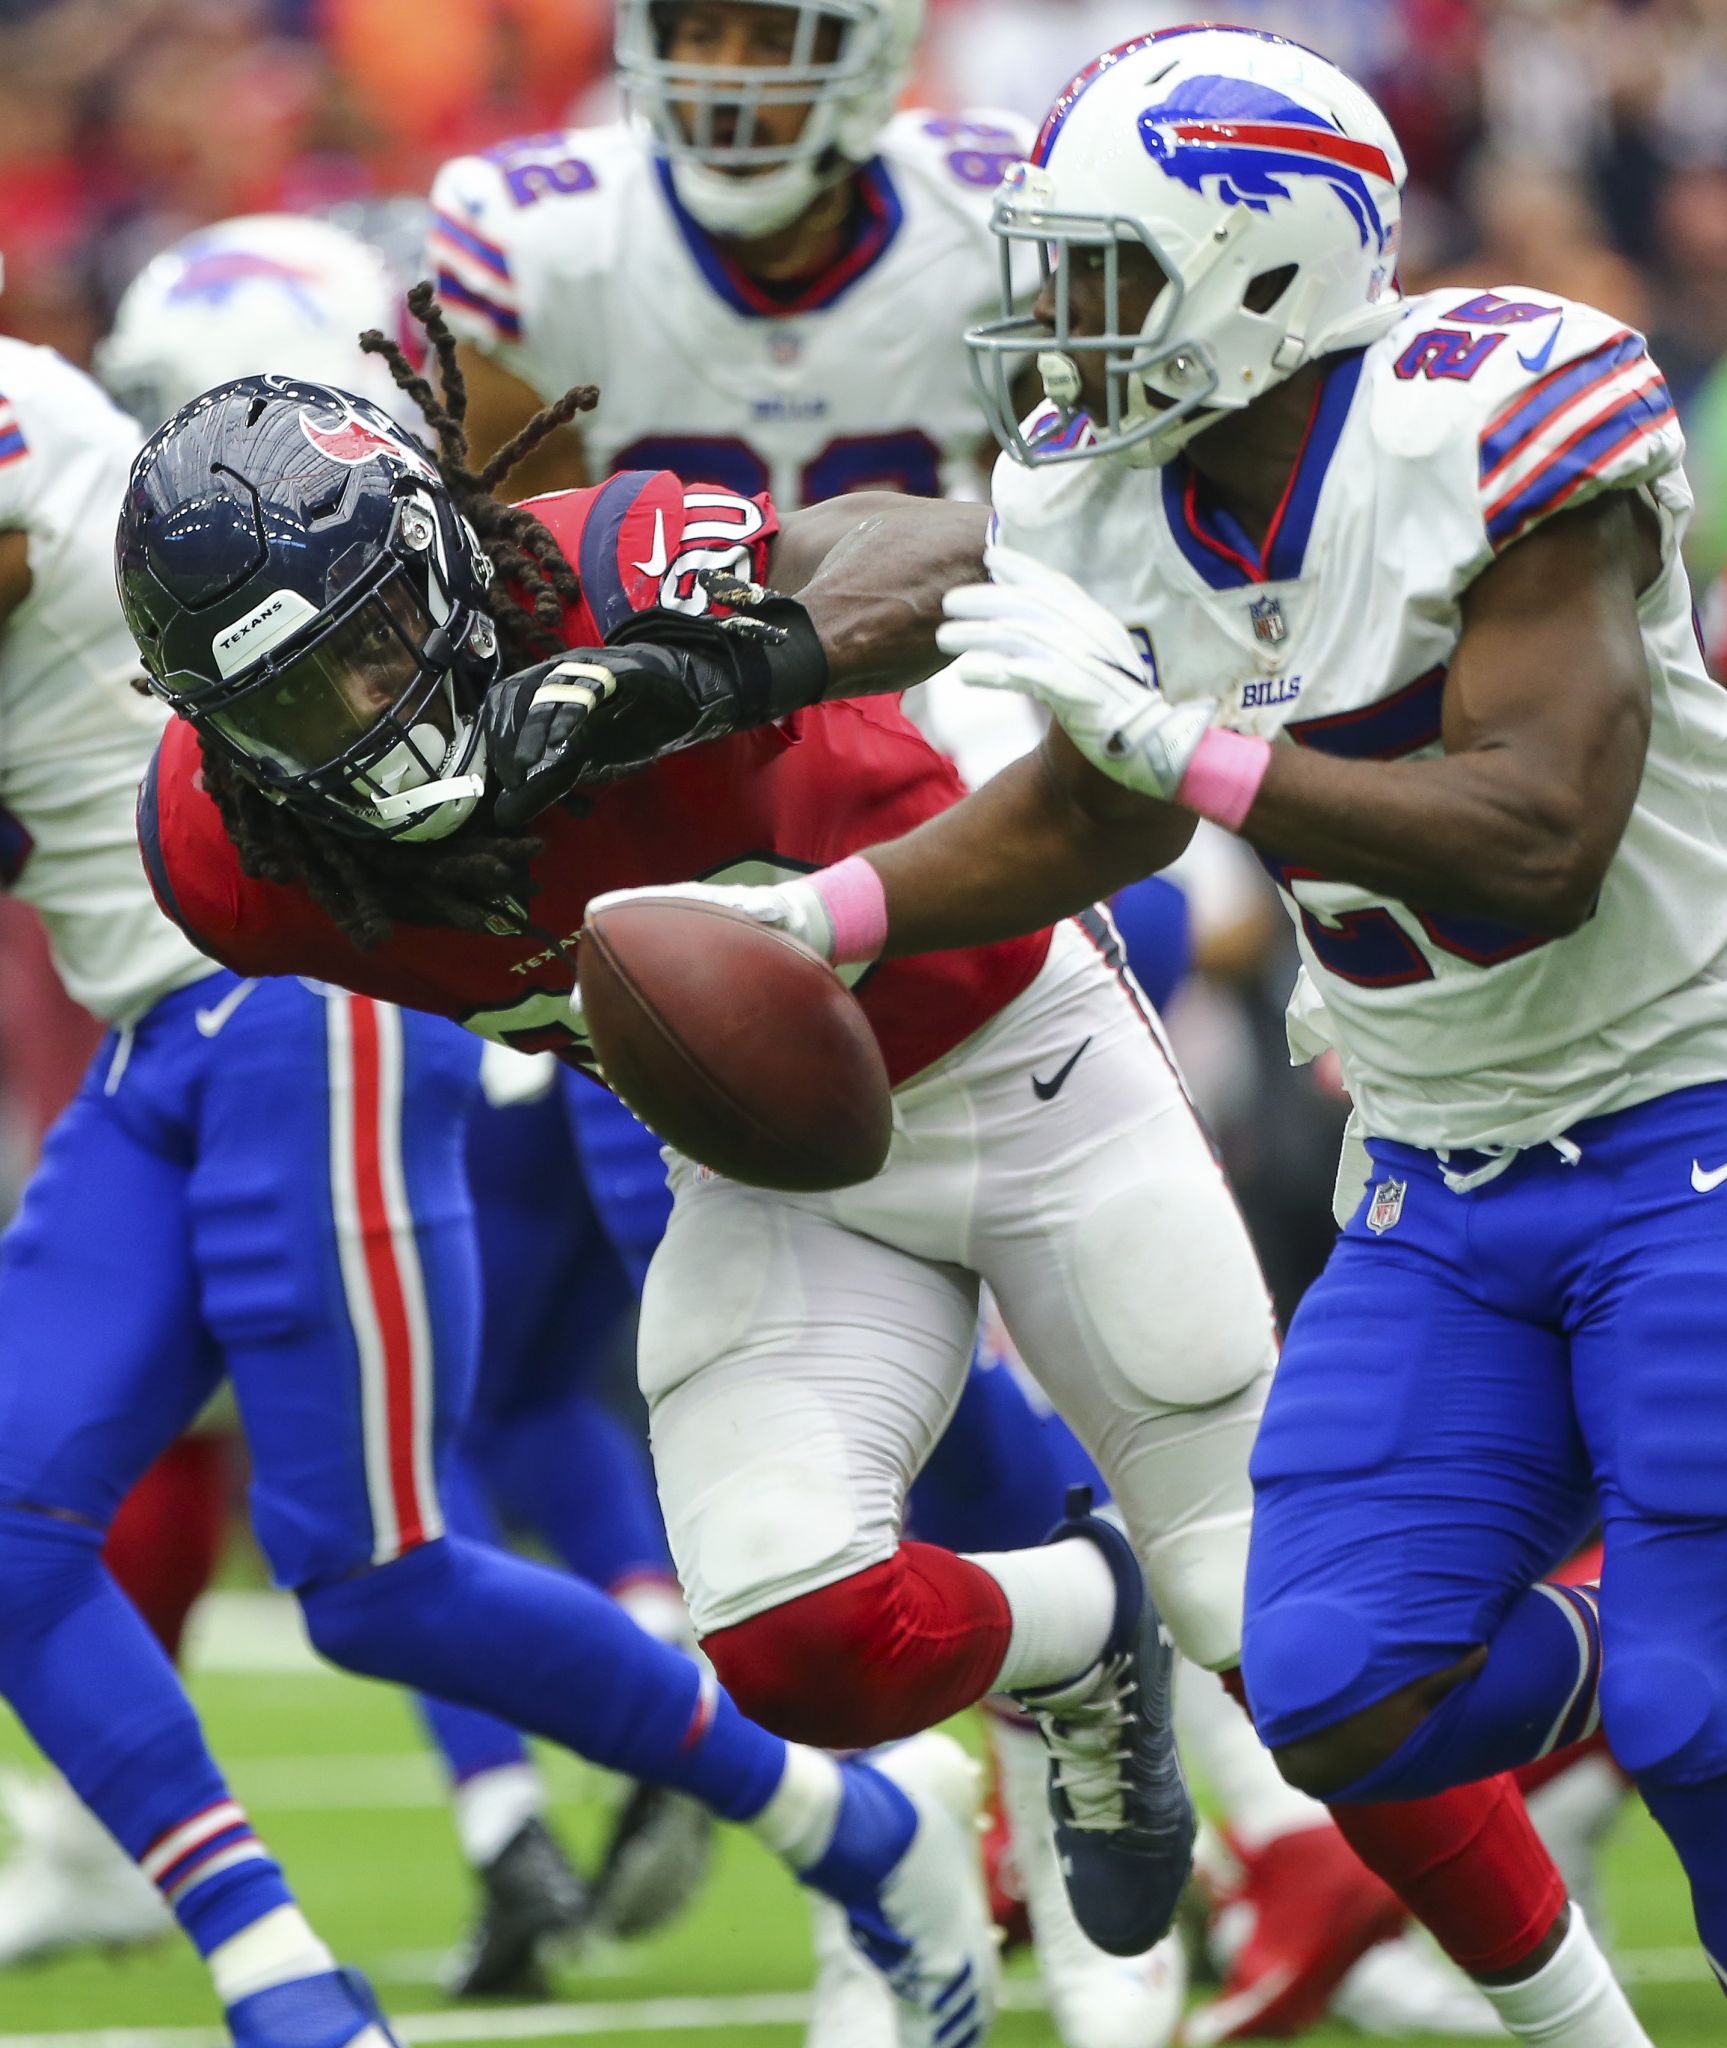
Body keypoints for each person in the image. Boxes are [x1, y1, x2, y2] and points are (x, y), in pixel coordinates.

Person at [132, 278, 1627, 2044]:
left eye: (376, 639)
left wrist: (690, 670)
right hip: (767, 1158)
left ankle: (1578, 2021)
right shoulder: (222, 862)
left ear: (447, 556)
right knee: (785, 1633)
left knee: (1277, 1625)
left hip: (1014, 1048)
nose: (366, 712)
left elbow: (944, 547)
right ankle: (1080, 1633)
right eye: (297, 702)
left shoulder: (593, 565)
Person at [577, 22, 1700, 2042]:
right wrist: (824, 918)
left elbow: (1533, 833)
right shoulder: (1102, 495)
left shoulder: (1494, 410)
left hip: (1676, 1116)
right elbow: (1089, 807)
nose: (1046, 327)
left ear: (1265, 269)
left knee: (1691, 1718)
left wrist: (1202, 752)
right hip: (1433, 1160)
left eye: (1094, 272)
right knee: (1342, 1686)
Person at [0, 331, 995, 2048]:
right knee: (10, 1526)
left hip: (296, 1000)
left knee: (373, 1567)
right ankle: (286, 1986)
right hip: (154, 1029)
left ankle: (861, 1821)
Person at [428, 0, 1028, 500]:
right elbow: (518, 557)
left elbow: (1048, 513)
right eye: (699, 34)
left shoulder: (989, 223)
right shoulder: (538, 242)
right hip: (630, 641)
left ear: (870, 56)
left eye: (775, 41)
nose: (726, 82)